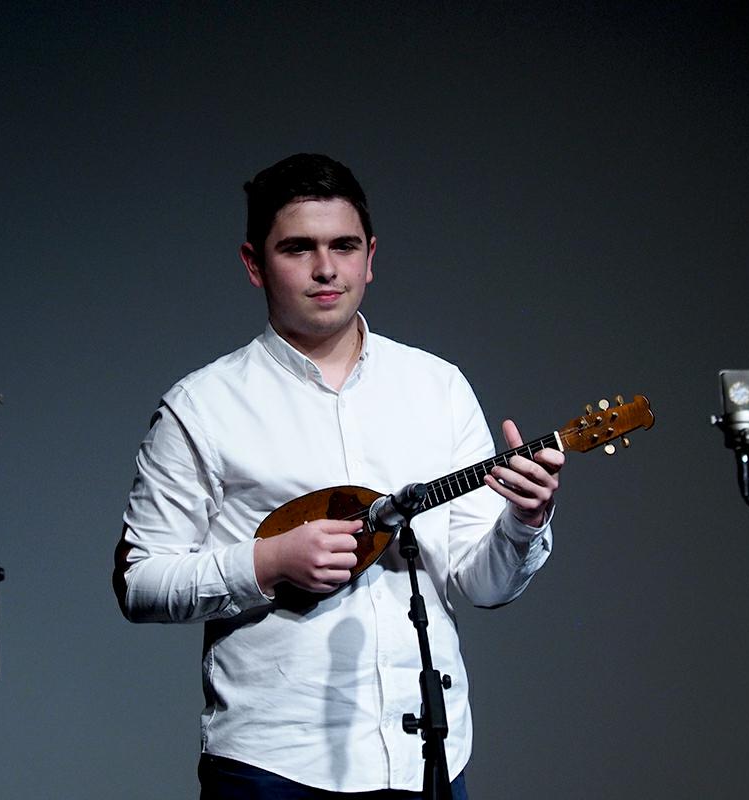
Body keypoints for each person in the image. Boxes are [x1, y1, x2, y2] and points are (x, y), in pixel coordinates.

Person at [114, 153, 563, 799]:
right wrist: (267, 563)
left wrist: (525, 521)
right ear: (254, 264)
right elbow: (139, 582)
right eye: (299, 248)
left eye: (344, 246)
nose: (326, 268)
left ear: (369, 257)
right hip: (274, 766)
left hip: (427, 758)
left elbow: (483, 584)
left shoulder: (438, 388)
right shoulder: (202, 406)